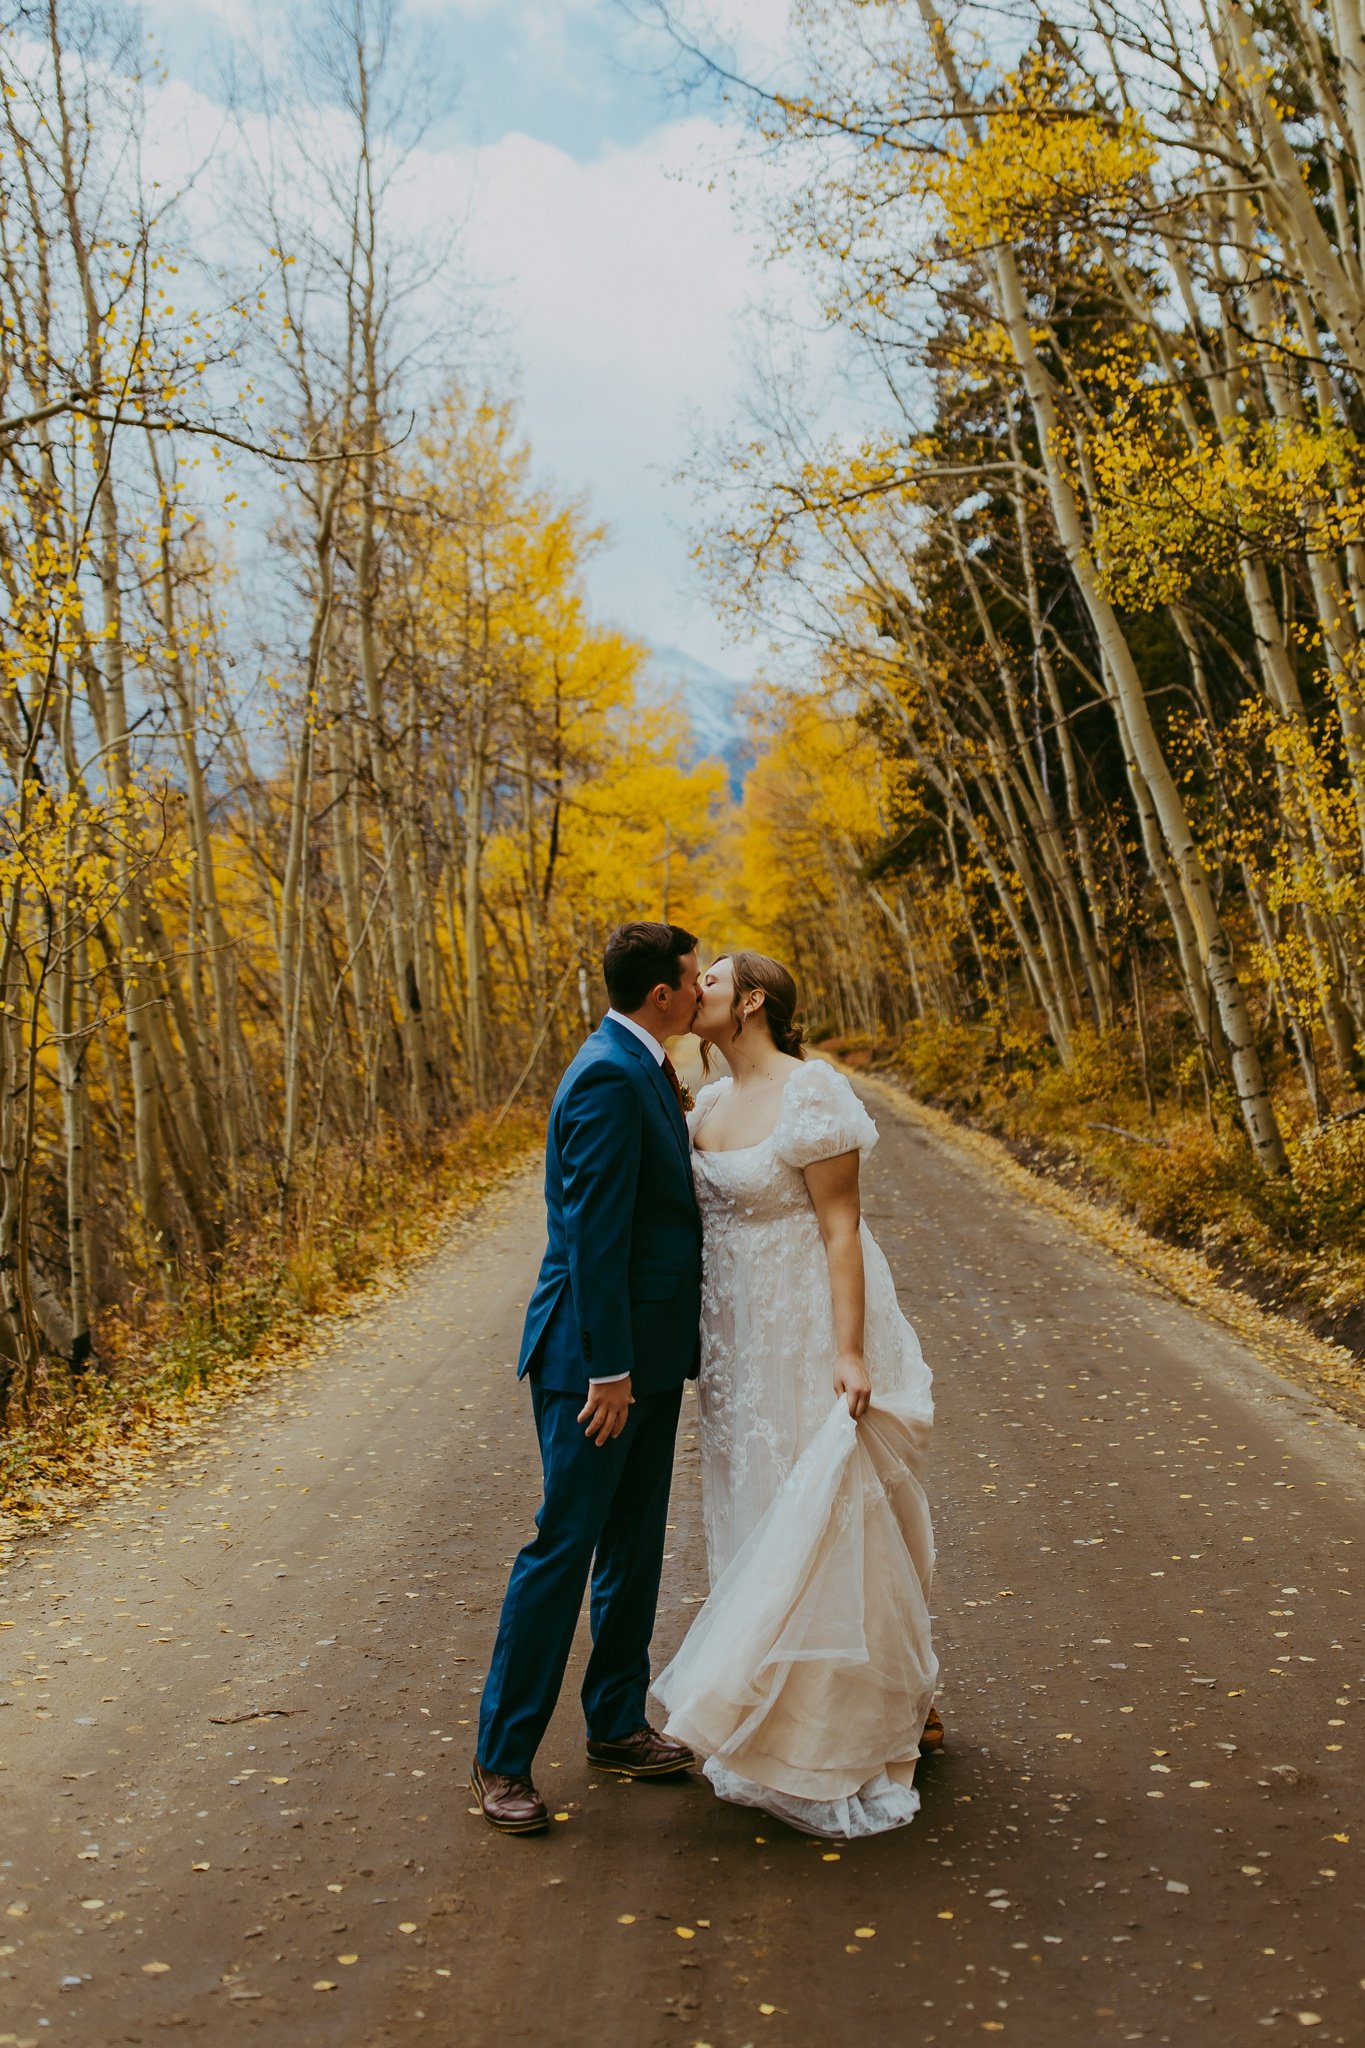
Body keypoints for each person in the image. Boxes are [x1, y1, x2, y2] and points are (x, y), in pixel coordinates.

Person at [653, 950, 941, 1840]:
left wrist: (849, 1352)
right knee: (752, 1509)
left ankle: (841, 1731)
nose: (691, 987)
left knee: (822, 1510)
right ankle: (766, 1717)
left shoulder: (811, 1092)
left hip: (806, 1329)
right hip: (736, 1346)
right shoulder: (703, 1104)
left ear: (751, 1002)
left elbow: (841, 1226)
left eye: (709, 980)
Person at [470, 921, 703, 1832]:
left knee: (634, 1544)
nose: (699, 992)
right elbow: (595, 1234)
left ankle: (614, 1723)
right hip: (594, 1365)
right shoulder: (609, 1074)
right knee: (562, 1548)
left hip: (644, 1357)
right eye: (692, 979)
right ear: (661, 996)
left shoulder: (641, 1060)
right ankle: (501, 1760)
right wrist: (608, 1370)